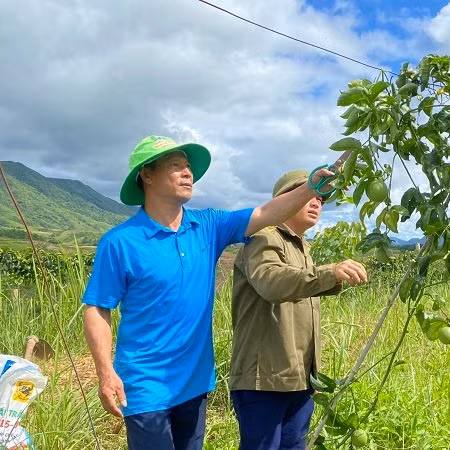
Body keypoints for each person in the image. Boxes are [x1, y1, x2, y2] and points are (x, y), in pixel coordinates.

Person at [81, 136, 335, 450]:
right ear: (146, 175)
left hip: (195, 382)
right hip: (145, 385)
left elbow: (267, 213)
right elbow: (97, 308)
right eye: (176, 166)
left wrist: (311, 188)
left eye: (188, 166)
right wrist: (105, 373)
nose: (188, 173)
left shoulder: (207, 226)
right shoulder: (120, 242)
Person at [228, 169, 368, 450]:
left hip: (298, 381)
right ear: (285, 200)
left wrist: (312, 374)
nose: (316, 201)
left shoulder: (303, 248)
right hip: (263, 381)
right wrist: (330, 273)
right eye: (308, 194)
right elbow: (272, 282)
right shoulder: (264, 237)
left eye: (320, 197)